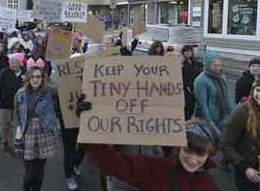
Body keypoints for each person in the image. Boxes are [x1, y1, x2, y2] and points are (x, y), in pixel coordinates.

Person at [76, 96, 220, 191]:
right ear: (179, 145)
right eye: (188, 149)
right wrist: (90, 125)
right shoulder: (158, 169)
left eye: (201, 153)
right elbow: (112, 162)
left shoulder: (208, 179)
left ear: (209, 154)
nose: (193, 160)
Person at [14, 64, 59, 191]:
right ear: (27, 78)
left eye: (38, 76)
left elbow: (66, 93)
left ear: (43, 78)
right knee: (30, 175)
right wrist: (18, 130)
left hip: (45, 132)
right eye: (32, 77)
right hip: (27, 133)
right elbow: (16, 113)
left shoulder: (49, 91)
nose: (35, 79)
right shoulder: (20, 93)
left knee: (39, 172)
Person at [194, 51, 233, 168]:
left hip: (220, 116)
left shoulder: (222, 77)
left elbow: (226, 97)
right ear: (207, 64)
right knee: (206, 145)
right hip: (207, 118)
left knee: (221, 143)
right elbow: (202, 103)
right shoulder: (200, 80)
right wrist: (209, 123)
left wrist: (232, 115)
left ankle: (224, 160)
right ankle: (200, 166)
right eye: (214, 65)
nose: (217, 68)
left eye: (219, 65)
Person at [0, 52, 25, 152]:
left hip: (21, 105)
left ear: (20, 63)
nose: (14, 65)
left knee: (19, 125)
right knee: (5, 125)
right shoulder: (4, 72)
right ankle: (4, 141)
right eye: (12, 63)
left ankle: (18, 143)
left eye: (16, 63)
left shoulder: (24, 73)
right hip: (5, 104)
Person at [181, 45, 203, 120]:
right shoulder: (182, 63)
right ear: (183, 53)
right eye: (186, 51)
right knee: (186, 107)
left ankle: (188, 119)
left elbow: (202, 68)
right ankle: (186, 122)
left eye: (190, 51)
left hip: (195, 88)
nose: (188, 53)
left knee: (193, 106)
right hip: (186, 89)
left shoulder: (194, 62)